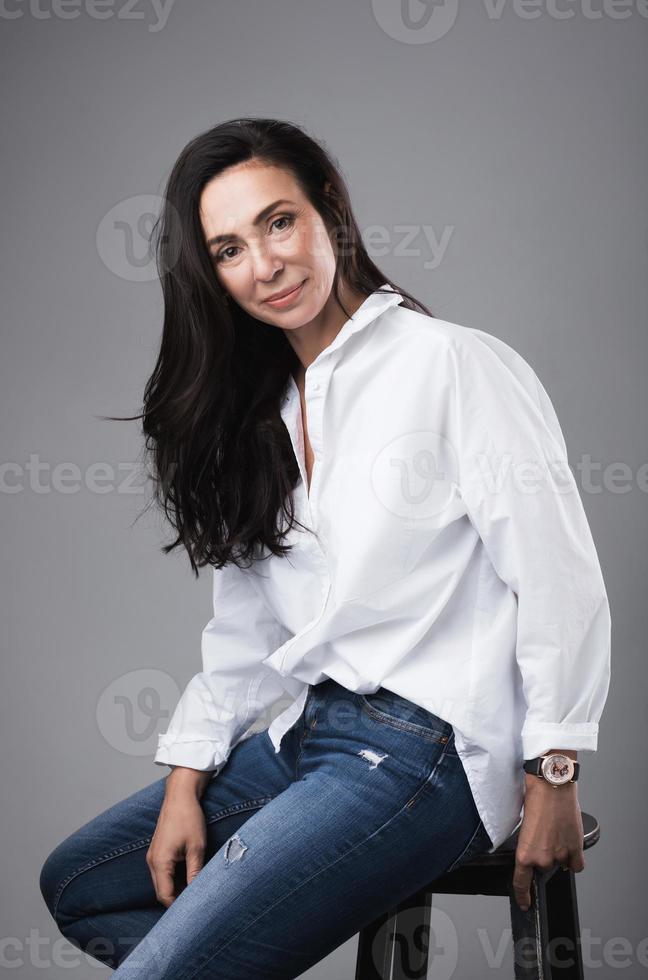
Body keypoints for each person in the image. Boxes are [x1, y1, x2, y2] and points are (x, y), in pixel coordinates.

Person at [39, 117, 611, 979]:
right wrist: (189, 776)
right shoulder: (258, 415)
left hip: (428, 752)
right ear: (213, 277)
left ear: (330, 212)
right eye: (228, 249)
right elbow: (250, 632)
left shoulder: (451, 365)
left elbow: (559, 575)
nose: (264, 264)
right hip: (310, 735)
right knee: (82, 883)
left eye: (279, 222)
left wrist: (555, 771)